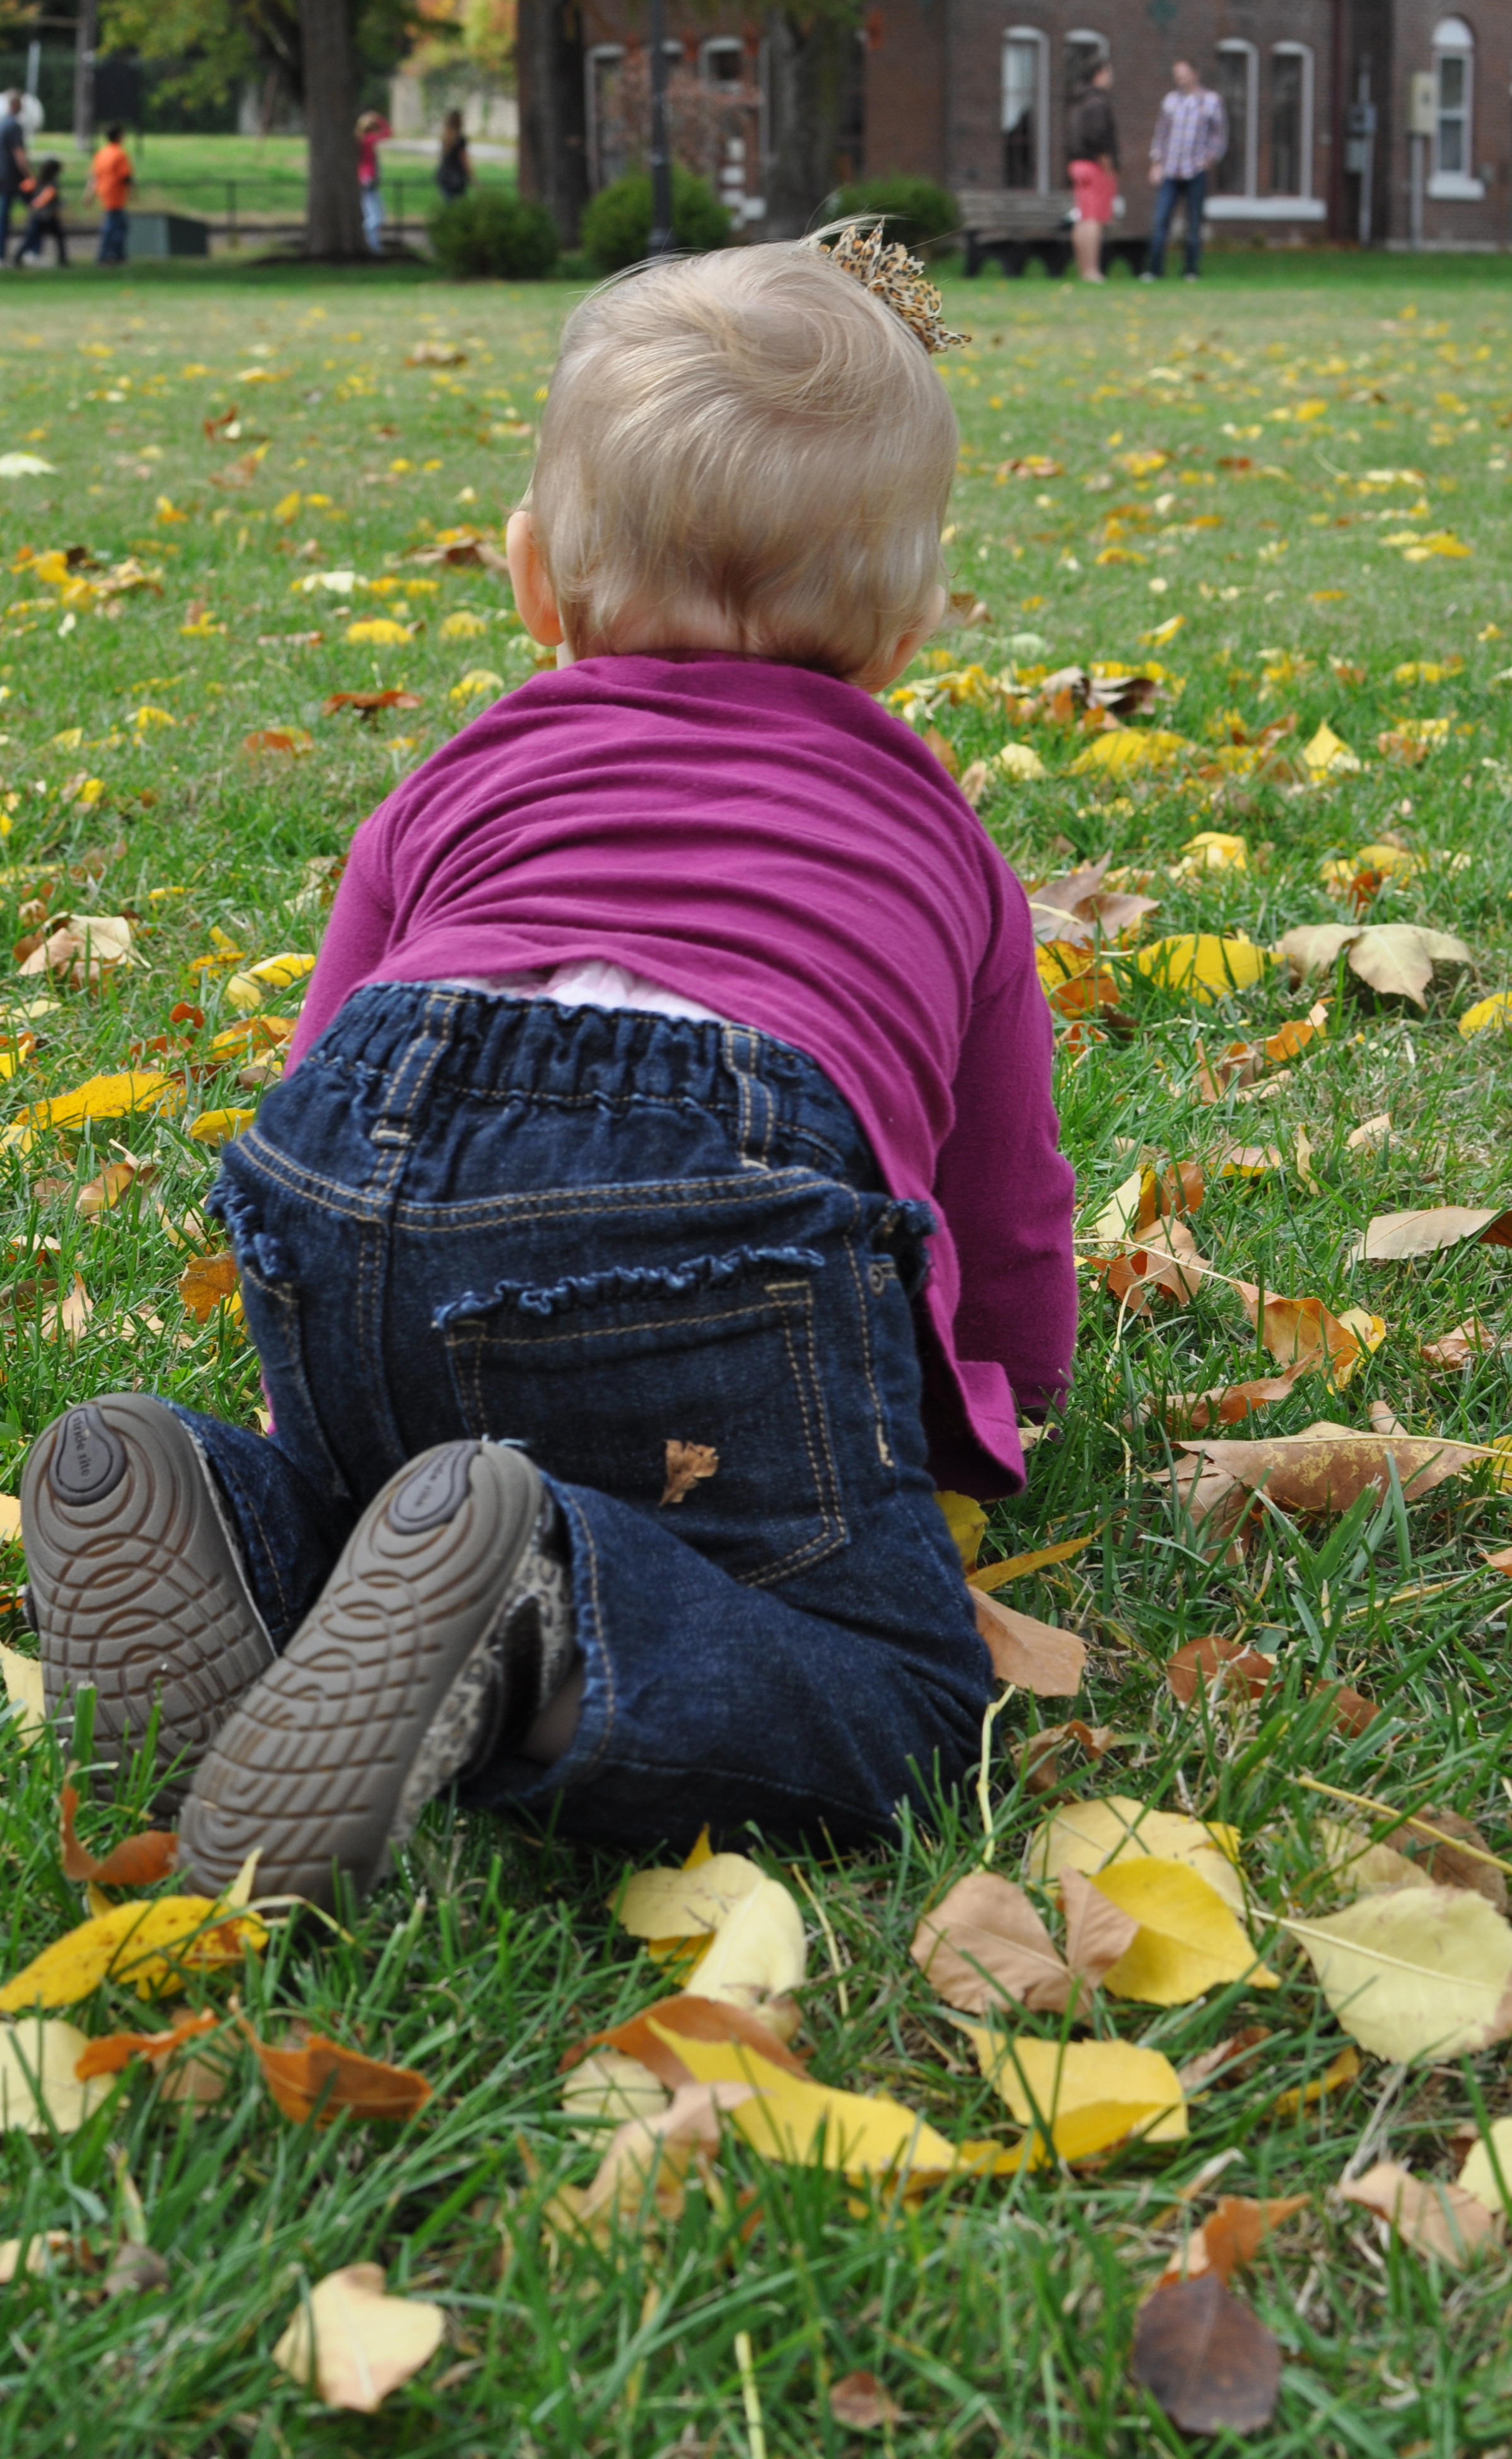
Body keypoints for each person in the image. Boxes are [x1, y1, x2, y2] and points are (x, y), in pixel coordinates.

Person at [21, 228, 1078, 1904]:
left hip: (363, 1156)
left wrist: (313, 1381)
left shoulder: (454, 778)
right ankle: (538, 1616)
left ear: (531, 578)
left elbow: (323, 1082)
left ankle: (233, 1501)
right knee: (901, 1699)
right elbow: (999, 1201)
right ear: (903, 631)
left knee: (391, 1480)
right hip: (716, 1179)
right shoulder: (938, 837)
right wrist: (1009, 1389)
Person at [1143, 58, 1227, 281]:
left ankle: (1190, 269)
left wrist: (1209, 160)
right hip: (1171, 170)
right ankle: (1155, 270)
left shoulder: (1211, 101)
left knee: (1194, 223)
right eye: (1176, 74)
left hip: (1195, 171)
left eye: (1183, 73)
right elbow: (1161, 133)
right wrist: (1156, 162)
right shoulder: (1171, 101)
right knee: (1160, 221)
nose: (1179, 77)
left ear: (1195, 74)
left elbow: (1218, 135)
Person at [1067, 59, 1119, 284]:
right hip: (1094, 164)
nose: (1111, 78)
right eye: (1109, 73)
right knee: (1094, 218)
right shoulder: (1097, 102)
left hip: (1076, 164)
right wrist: (1107, 163)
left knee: (1082, 216)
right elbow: (1097, 135)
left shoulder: (1078, 101)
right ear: (1099, 74)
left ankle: (1083, 270)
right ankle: (1092, 271)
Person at [85, 123, 133, 264]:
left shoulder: (101, 154)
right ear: (119, 136)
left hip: (104, 193)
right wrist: (132, 192)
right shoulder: (120, 154)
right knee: (115, 227)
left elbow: (95, 177)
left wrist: (89, 195)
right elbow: (126, 177)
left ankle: (118, 255)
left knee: (118, 225)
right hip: (116, 194)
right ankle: (108, 256)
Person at [13, 156, 67, 267]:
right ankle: (18, 257)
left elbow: (23, 187)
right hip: (45, 216)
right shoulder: (51, 184)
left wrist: (31, 202)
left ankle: (62, 259)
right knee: (53, 238)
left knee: (35, 237)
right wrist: (36, 203)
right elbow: (47, 196)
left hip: (41, 216)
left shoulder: (38, 181)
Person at [0, 93, 30, 265]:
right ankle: (32, 248)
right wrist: (28, 175)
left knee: (4, 214)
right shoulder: (14, 126)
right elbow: (18, 153)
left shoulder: (2, 124)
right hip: (15, 178)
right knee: (37, 209)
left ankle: (2, 251)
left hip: (3, 176)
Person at [356, 109, 390, 253]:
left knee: (376, 214)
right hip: (368, 179)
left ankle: (374, 243)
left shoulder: (361, 140)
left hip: (368, 180)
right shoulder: (368, 140)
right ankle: (371, 243)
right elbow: (388, 134)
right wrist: (379, 118)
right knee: (375, 216)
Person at [436, 107, 470, 204]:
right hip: (457, 178)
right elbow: (464, 161)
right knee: (459, 206)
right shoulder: (460, 140)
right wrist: (472, 178)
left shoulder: (445, 138)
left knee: (448, 204)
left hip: (445, 176)